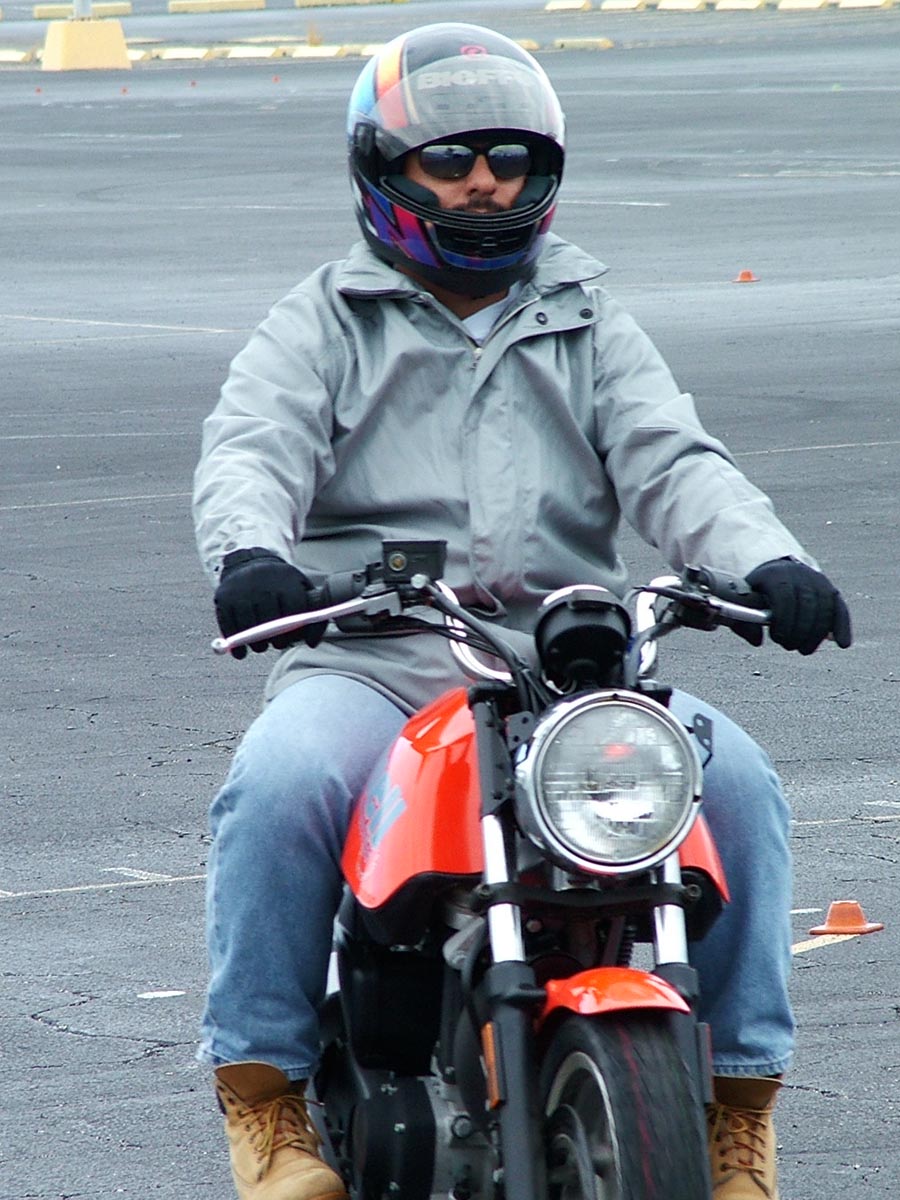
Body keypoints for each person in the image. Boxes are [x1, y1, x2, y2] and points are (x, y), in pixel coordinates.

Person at [193, 23, 852, 1200]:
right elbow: (253, 448)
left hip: (567, 664)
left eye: (509, 157)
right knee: (280, 784)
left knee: (742, 787)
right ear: (386, 170)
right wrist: (251, 554)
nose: (484, 182)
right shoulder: (322, 321)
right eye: (450, 159)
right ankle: (266, 1097)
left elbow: (674, 460)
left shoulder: (587, 317)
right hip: (378, 652)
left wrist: (769, 562)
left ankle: (737, 1108)